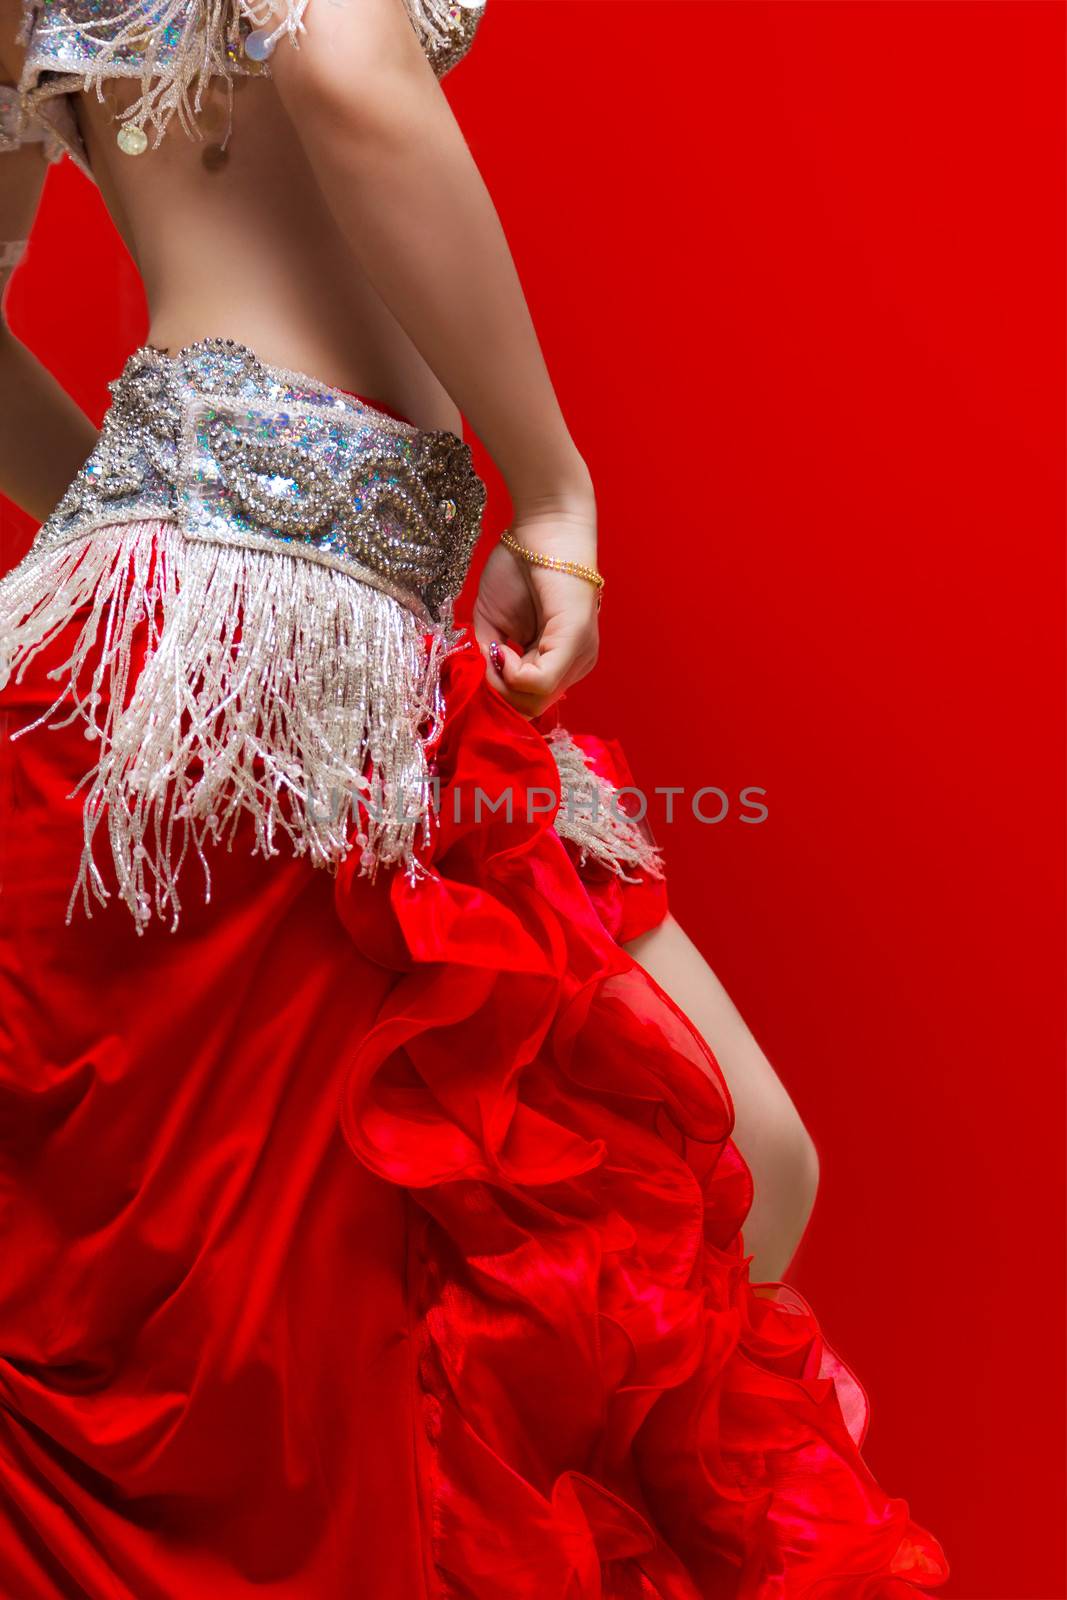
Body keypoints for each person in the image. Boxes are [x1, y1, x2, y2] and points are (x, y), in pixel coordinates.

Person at [0, 0, 949, 1593]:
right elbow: (346, 66)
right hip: (280, 658)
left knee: (308, 1360)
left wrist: (151, 504)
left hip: (141, 642)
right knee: (661, 1209)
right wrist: (556, 490)